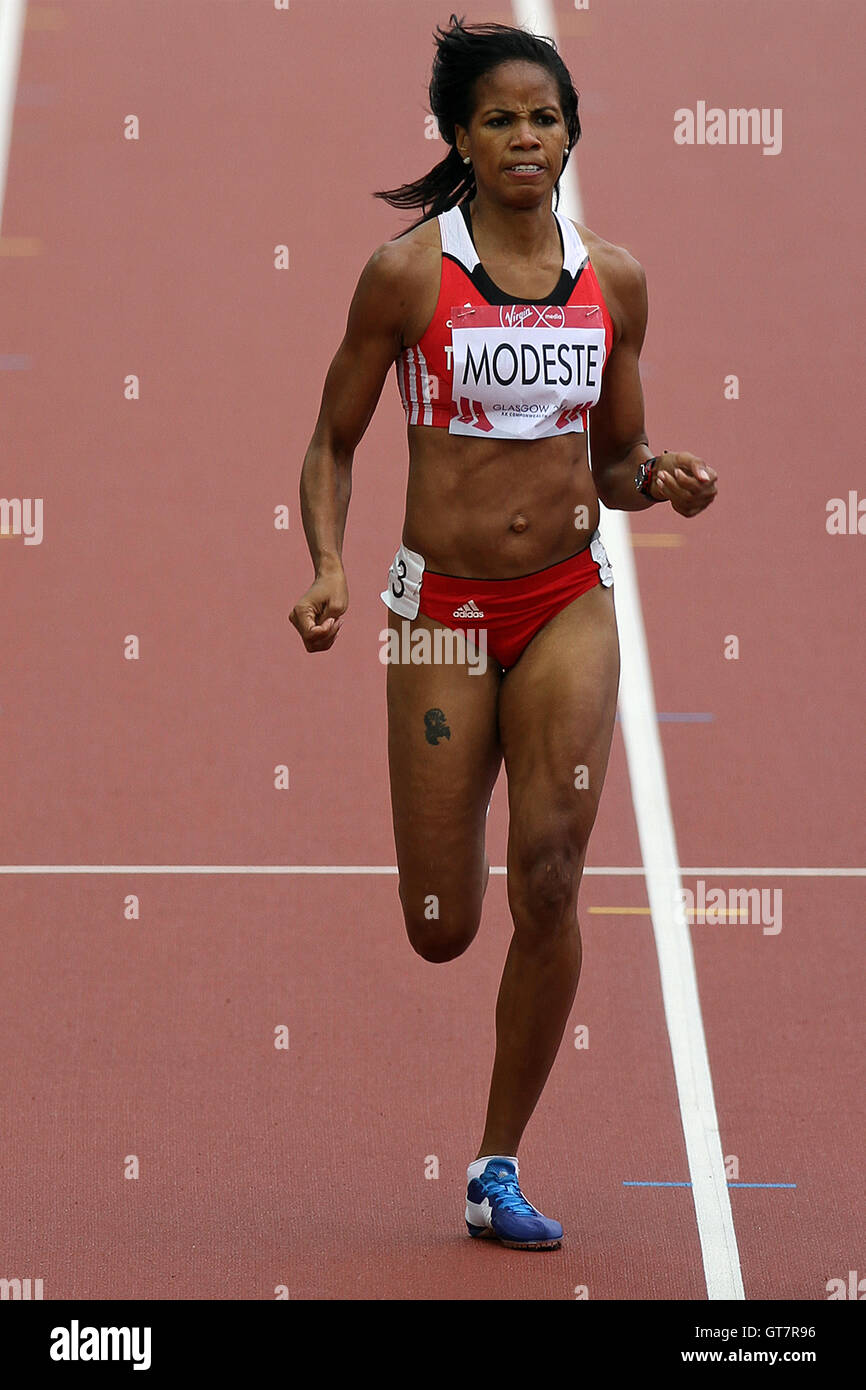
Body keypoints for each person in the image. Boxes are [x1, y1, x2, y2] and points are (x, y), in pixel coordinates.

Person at [290, 14, 717, 1250]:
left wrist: (663, 477)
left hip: (564, 603)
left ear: (570, 133)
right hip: (438, 617)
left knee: (551, 865)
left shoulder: (612, 280)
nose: (523, 136)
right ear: (459, 139)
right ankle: (447, 821)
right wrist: (327, 563)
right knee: (442, 928)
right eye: (497, 119)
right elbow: (332, 440)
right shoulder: (407, 275)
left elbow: (619, 460)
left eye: (542, 117)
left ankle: (493, 1164)